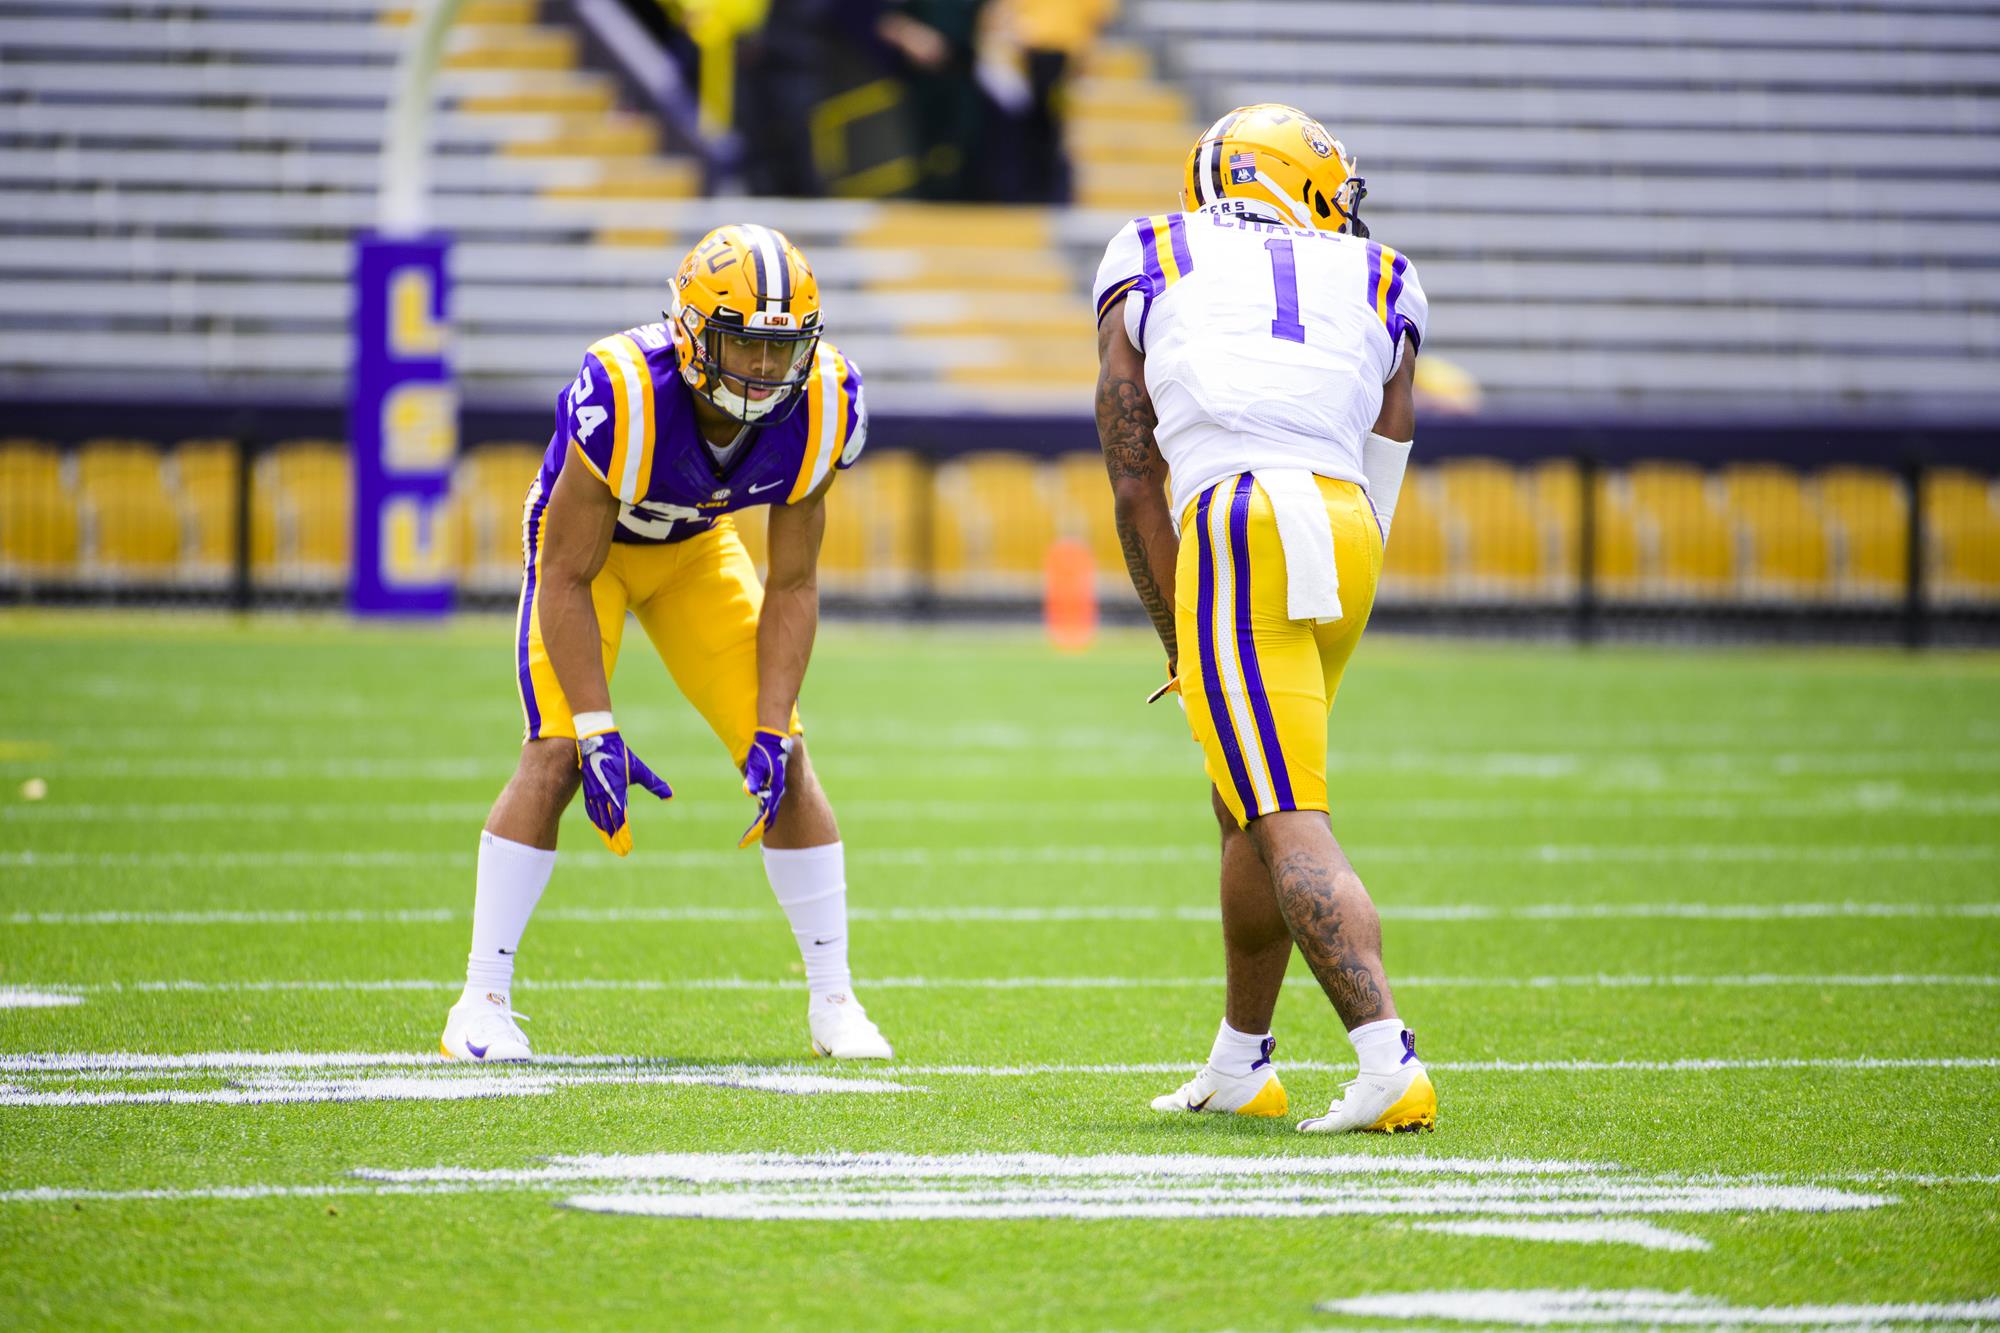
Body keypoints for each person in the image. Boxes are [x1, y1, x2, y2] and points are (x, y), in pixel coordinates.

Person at [439, 223, 892, 1065]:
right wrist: (599, 725)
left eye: (779, 348)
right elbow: (567, 574)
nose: (764, 369)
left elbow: (793, 583)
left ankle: (836, 1000)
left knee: (786, 758)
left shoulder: (825, 403)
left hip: (697, 556)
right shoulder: (626, 389)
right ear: (691, 336)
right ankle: (480, 1000)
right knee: (559, 752)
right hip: (594, 557)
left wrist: (769, 719)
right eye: (744, 346)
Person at [1091, 104, 1433, 1133]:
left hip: (1238, 520)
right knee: (1243, 797)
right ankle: (1242, 1062)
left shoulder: (1150, 247)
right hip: (1344, 525)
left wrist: (1172, 626)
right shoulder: (1382, 275)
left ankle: (1385, 1057)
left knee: (1282, 810)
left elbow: (1131, 471)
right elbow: (1388, 446)